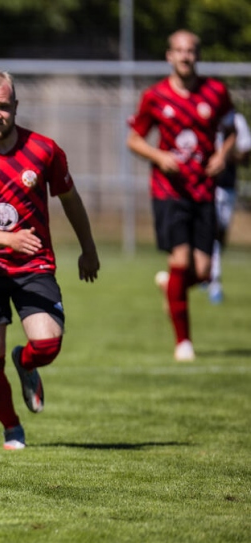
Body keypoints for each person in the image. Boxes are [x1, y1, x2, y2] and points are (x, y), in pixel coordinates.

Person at [0, 70, 99, 450]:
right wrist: (8, 240)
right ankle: (12, 427)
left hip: (33, 266)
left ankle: (27, 362)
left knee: (48, 345)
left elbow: (71, 200)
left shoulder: (45, 150)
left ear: (15, 106)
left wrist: (89, 248)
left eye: (2, 106)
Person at [127, 30, 236, 362]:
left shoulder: (216, 92)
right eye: (179, 50)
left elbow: (231, 131)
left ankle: (170, 285)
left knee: (202, 272)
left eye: (190, 51)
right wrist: (159, 157)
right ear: (169, 56)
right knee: (180, 260)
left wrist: (223, 155)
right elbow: (135, 139)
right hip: (169, 191)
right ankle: (183, 343)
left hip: (204, 191)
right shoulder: (155, 96)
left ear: (197, 55)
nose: (185, 56)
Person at [207, 111, 250, 304]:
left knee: (221, 235)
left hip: (228, 186)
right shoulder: (202, 113)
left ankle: (207, 270)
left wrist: (225, 157)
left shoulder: (235, 119)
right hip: (207, 186)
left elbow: (245, 154)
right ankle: (214, 281)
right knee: (212, 232)